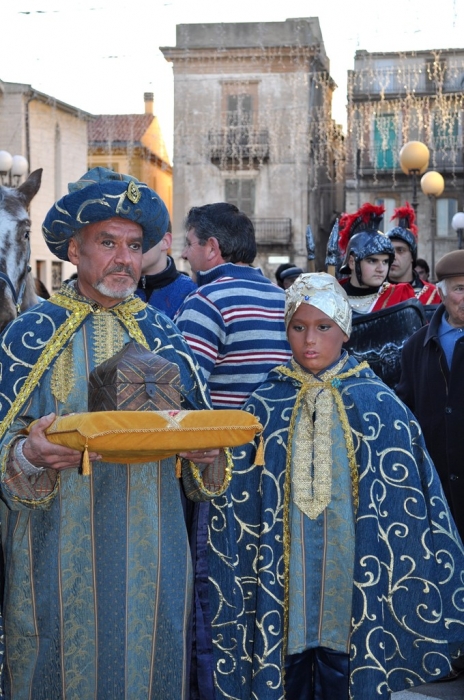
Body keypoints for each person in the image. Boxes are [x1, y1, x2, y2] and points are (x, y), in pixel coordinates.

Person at [0, 167, 232, 699]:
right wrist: (28, 456)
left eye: (133, 244)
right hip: (53, 557)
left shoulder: (164, 332)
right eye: (107, 242)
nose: (124, 257)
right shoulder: (27, 335)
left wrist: (207, 455)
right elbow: (4, 444)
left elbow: (207, 455)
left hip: (152, 558)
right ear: (74, 250)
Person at [211, 272, 464, 700]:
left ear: (344, 330)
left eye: (323, 327)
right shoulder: (264, 404)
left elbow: (408, 503)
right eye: (298, 327)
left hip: (354, 582)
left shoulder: (380, 403)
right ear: (285, 329)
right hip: (283, 582)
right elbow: (234, 492)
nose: (310, 340)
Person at [175, 202, 291, 408]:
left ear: (211, 248)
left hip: (223, 437)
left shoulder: (206, 301)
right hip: (278, 435)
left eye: (189, 244)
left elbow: (182, 391)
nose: (184, 253)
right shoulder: (284, 299)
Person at [397, 249, 464, 542]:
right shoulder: (416, 346)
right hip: (435, 490)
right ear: (441, 292)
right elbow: (405, 412)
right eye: (460, 289)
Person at [338, 203, 415, 313]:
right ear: (352, 262)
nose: (381, 269)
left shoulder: (400, 296)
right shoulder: (332, 296)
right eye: (372, 261)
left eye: (385, 262)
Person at [135, 221, 197, 319]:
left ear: (165, 241)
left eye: (140, 239)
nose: (132, 247)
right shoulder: (115, 290)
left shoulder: (193, 293)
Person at [387, 203, 440, 304]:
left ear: (412, 256)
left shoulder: (434, 294)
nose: (393, 257)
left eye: (400, 250)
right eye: (389, 251)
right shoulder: (375, 293)